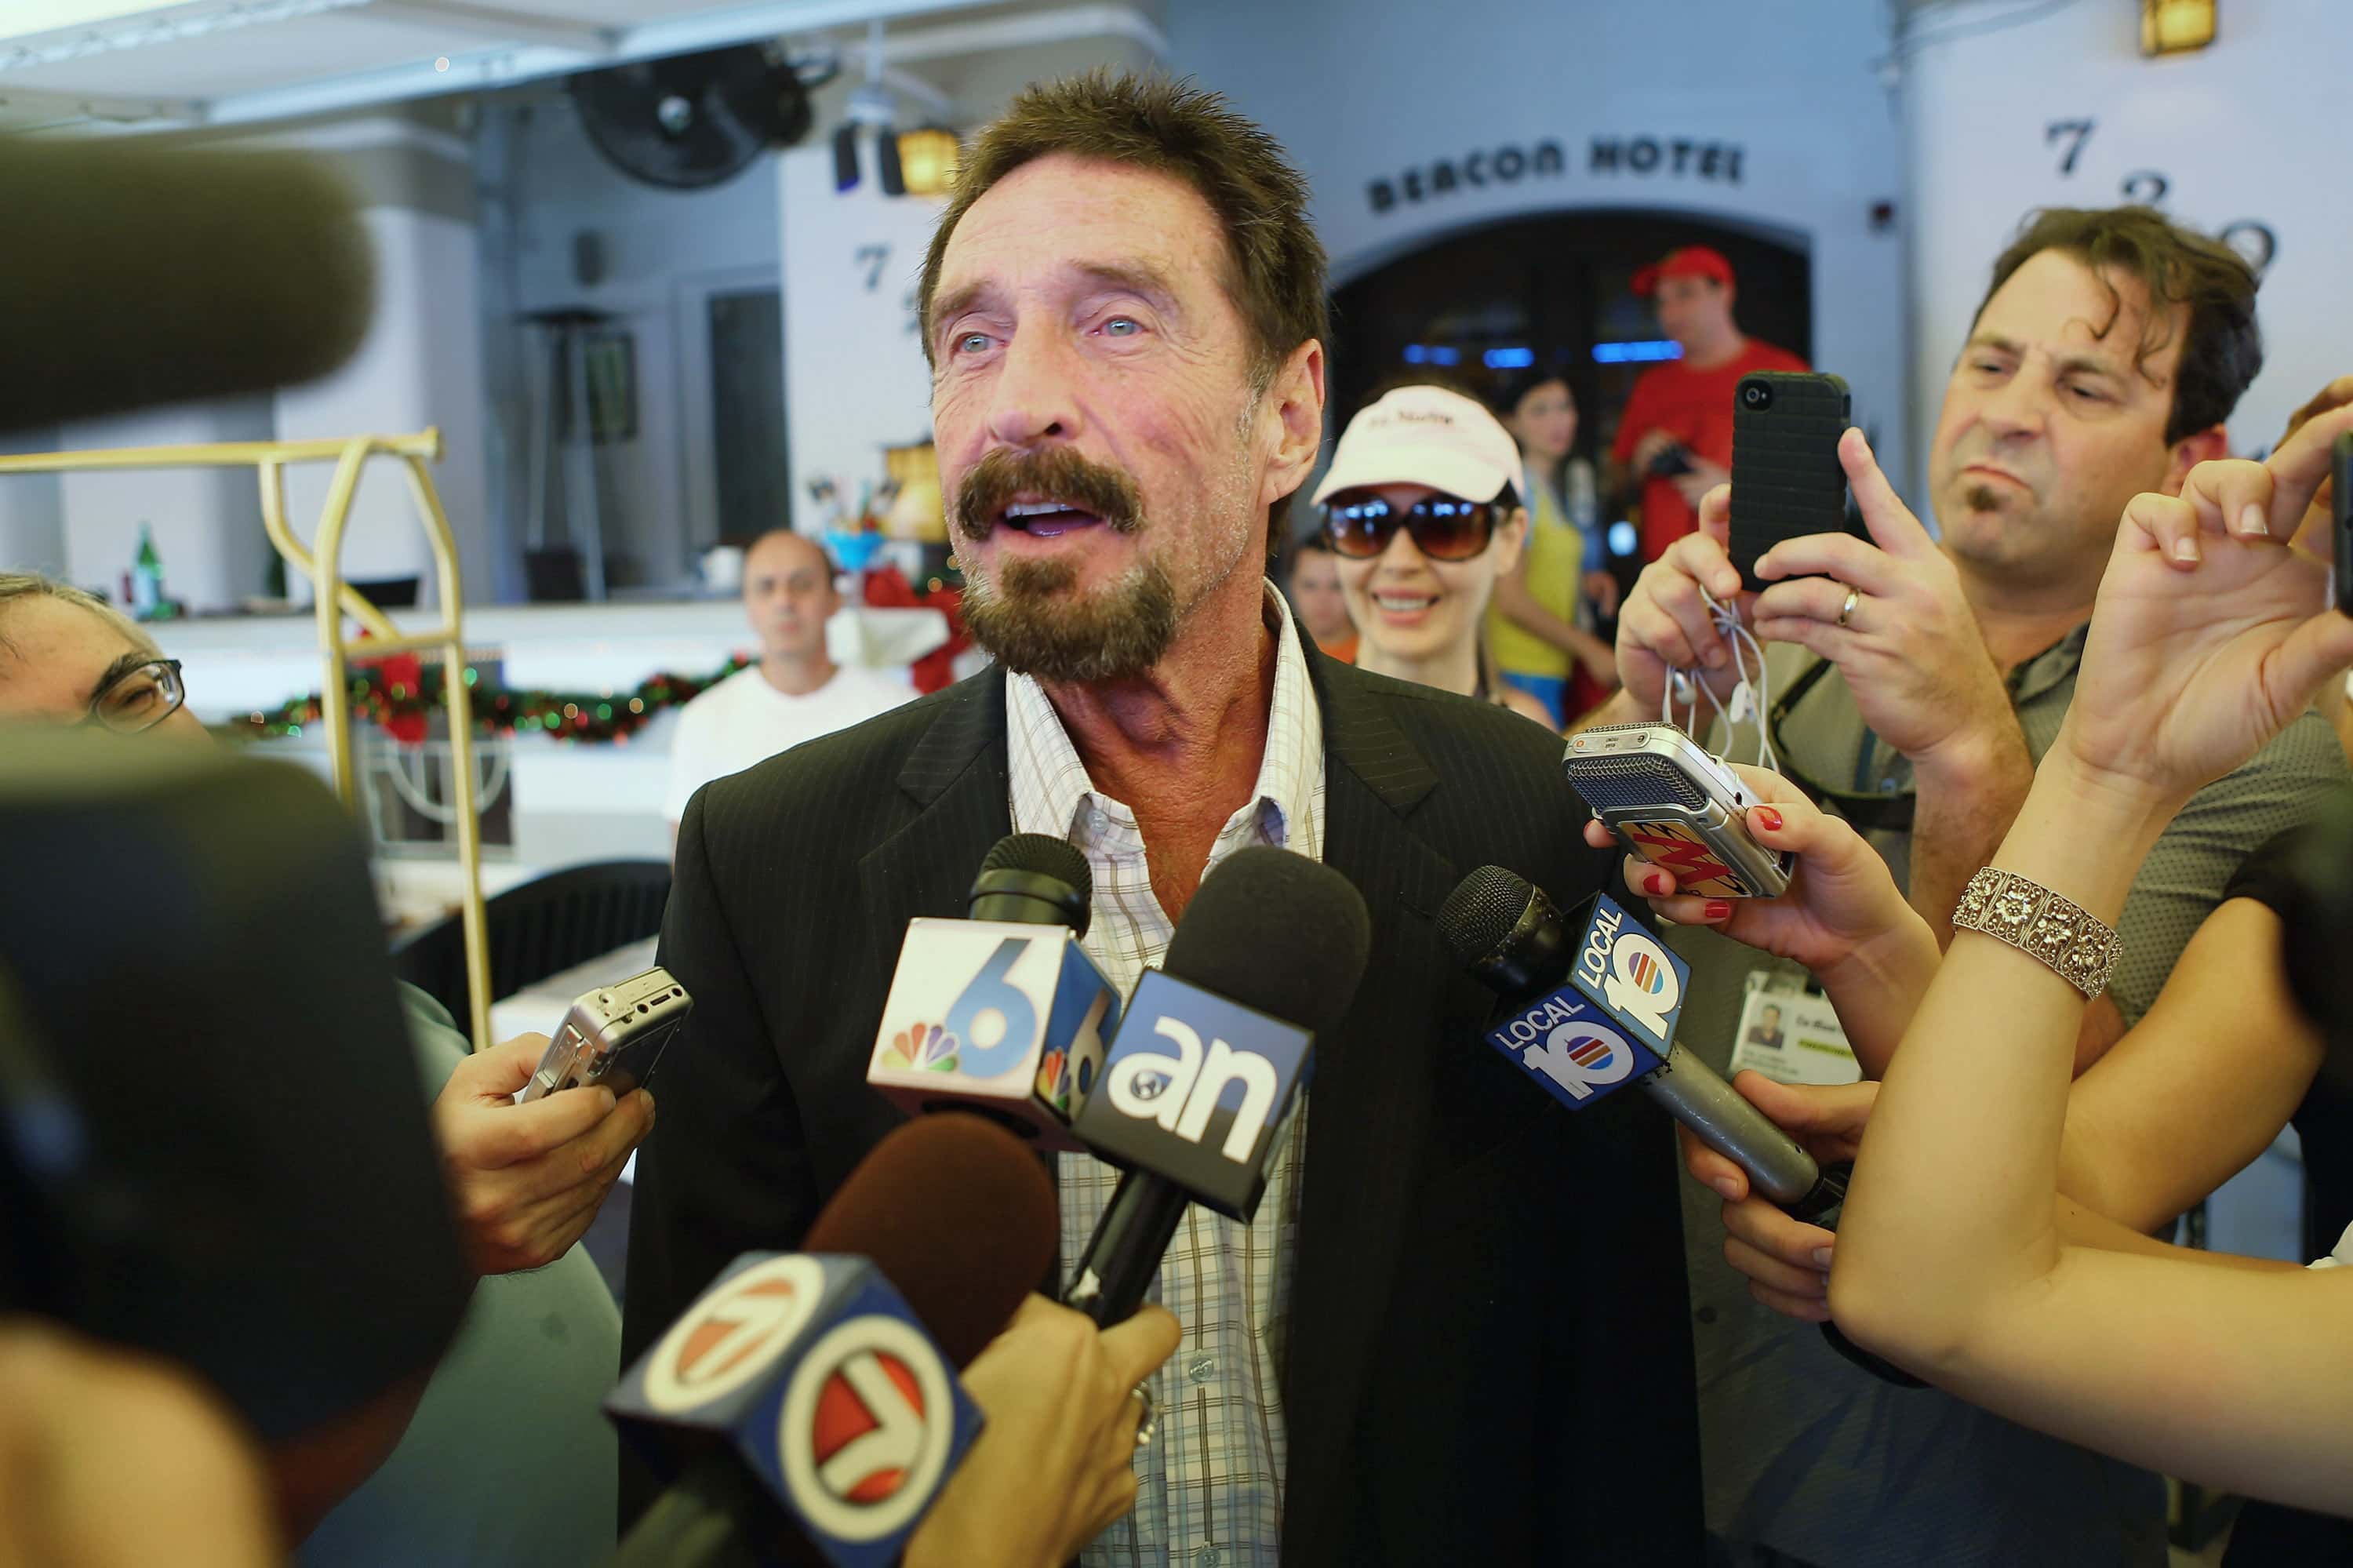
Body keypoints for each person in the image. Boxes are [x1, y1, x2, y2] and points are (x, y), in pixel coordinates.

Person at [624, 72, 1702, 1568]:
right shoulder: (766, 860)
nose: (1017, 399)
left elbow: (1614, 1403)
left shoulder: (1519, 820)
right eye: (972, 339)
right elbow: (705, 1485)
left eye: (1116, 320)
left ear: (1289, 418)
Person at [1577, 208, 2350, 1567]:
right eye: (1991, 364)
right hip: (1660, 1401)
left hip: (1964, 1481)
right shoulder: (1795, 645)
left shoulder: (2248, 740)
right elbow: (1605, 939)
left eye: (2083, 383)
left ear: (2198, 457)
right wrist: (1645, 712)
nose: (2010, 413)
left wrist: (1972, 751)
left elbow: (2072, 1115)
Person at [0, 573, 647, 1566]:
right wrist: (420, 1243)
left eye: (128, 699)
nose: (110, 766)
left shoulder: (326, 988)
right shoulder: (38, 1172)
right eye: (33, 763)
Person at [1313, 384, 1556, 728]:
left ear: (1509, 539)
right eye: (1365, 522)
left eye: (1445, 525)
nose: (1400, 562)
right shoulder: (1286, 737)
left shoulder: (1530, 738)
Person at [662, 528, 916, 840]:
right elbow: (686, 863)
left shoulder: (899, 712)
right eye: (766, 587)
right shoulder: (703, 720)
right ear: (748, 605)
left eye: (802, 585)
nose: (784, 601)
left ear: (835, 599)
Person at [1608, 246, 1808, 562]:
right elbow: (1615, 481)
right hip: (1669, 575)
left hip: (1755, 571)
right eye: (1661, 301)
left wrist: (1736, 492)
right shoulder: (1652, 384)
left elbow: (1811, 481)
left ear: (1724, 294)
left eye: (1685, 293)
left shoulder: (1783, 374)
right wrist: (1639, 461)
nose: (1670, 312)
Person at [1482, 369, 1618, 725]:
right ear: (1511, 422)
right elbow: (1511, 600)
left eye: (1564, 407)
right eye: (1540, 410)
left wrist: (1584, 581)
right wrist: (1592, 649)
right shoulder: (1518, 488)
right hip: (1519, 666)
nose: (1558, 421)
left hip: (1546, 664)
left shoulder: (1548, 486)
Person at [1282, 533, 1355, 661]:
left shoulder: (1381, 653)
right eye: (1310, 586)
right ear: (1291, 586)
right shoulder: (1276, 653)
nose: (1322, 600)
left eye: (1336, 586)